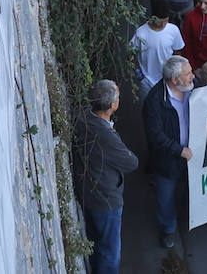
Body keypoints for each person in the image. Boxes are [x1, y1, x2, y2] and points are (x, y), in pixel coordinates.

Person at [73, 80, 138, 274]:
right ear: (111, 106)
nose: (119, 99)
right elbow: (131, 162)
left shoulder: (83, 116)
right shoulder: (105, 135)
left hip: (88, 193)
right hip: (106, 199)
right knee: (110, 252)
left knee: (95, 241)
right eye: (117, 96)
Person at [142, 56, 194, 248]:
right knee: (166, 197)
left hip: (190, 154)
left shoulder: (191, 89)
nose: (192, 76)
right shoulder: (154, 101)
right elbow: (155, 136)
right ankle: (168, 230)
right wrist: (179, 150)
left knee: (189, 189)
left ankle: (186, 215)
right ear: (175, 80)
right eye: (188, 74)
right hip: (168, 160)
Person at [130, 0, 184, 97]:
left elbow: (178, 52)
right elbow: (131, 54)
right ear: (153, 17)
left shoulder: (173, 30)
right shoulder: (141, 33)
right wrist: (139, 74)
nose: (163, 24)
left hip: (168, 79)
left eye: (166, 21)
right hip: (147, 83)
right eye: (160, 22)